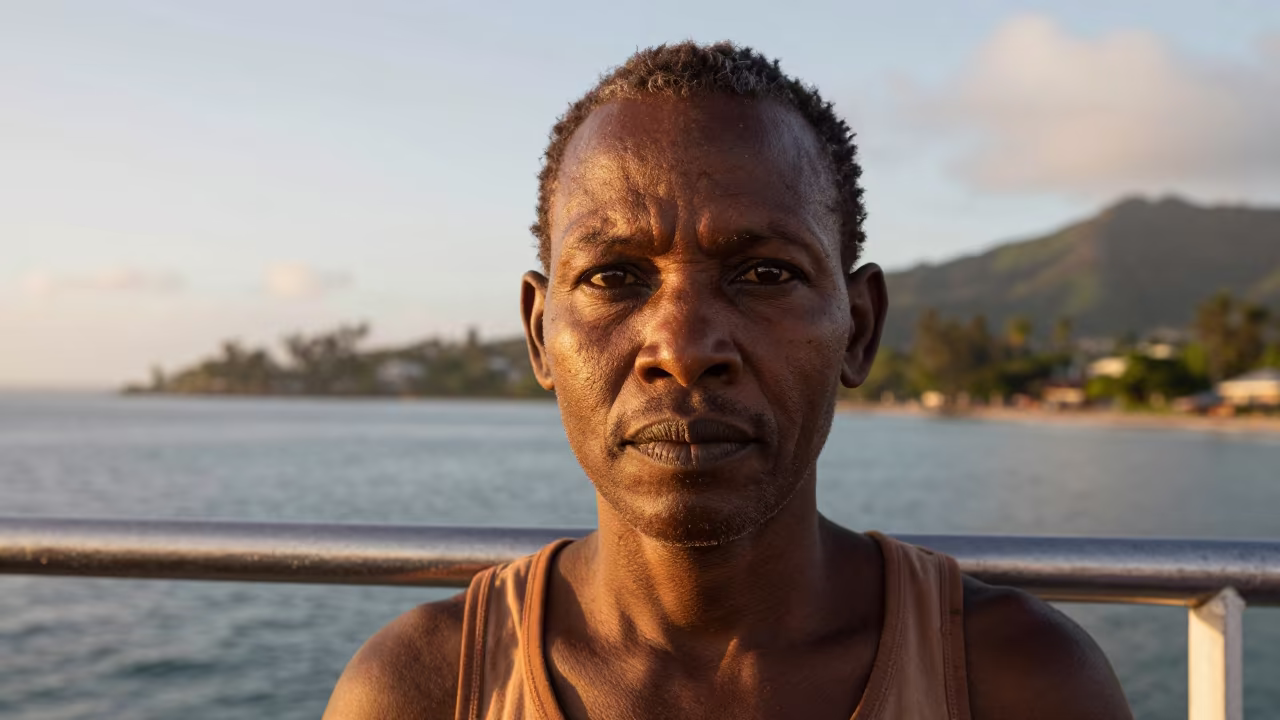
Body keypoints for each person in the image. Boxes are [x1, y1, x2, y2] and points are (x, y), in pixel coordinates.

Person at [323, 41, 1132, 720]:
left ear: (860, 328)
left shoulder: (1016, 681)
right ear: (541, 333)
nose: (682, 345)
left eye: (766, 272)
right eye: (613, 277)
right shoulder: (421, 689)